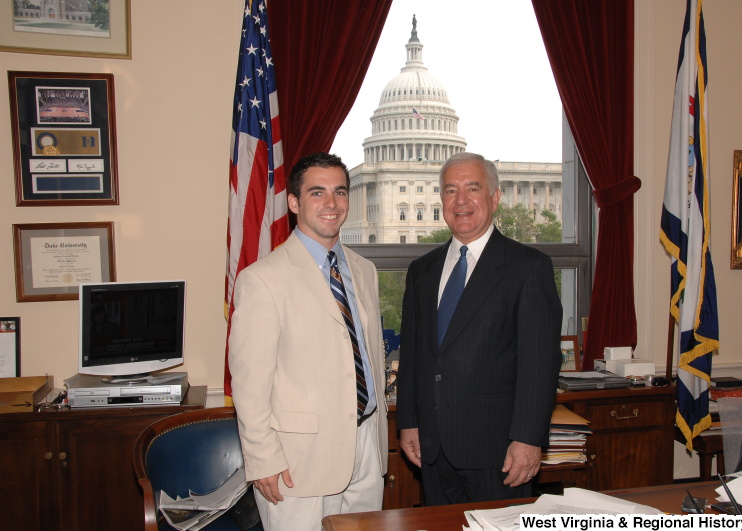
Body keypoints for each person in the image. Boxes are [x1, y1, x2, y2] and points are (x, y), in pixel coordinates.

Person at [228, 152, 388, 530]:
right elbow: (250, 385)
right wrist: (263, 458)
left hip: (366, 445)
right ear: (295, 202)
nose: (331, 204)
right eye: (317, 193)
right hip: (298, 461)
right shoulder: (263, 279)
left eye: (340, 192)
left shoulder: (364, 270)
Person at [396, 152, 562, 506]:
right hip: (433, 448)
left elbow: (539, 366)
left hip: (499, 451)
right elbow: (412, 356)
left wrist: (528, 439)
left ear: (495, 196)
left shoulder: (528, 268)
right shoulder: (421, 271)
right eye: (450, 190)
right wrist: (408, 422)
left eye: (473, 188)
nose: (461, 200)